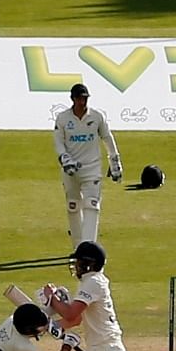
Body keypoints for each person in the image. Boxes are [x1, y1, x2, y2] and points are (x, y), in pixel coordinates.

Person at [52, 83, 122, 248]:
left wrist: (115, 162)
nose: (82, 102)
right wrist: (64, 157)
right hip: (70, 170)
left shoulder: (96, 117)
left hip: (91, 168)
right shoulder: (63, 118)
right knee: (73, 206)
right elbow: (58, 141)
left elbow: (107, 138)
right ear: (73, 99)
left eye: (85, 98)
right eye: (79, 99)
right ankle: (78, 248)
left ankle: (88, 248)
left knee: (92, 205)